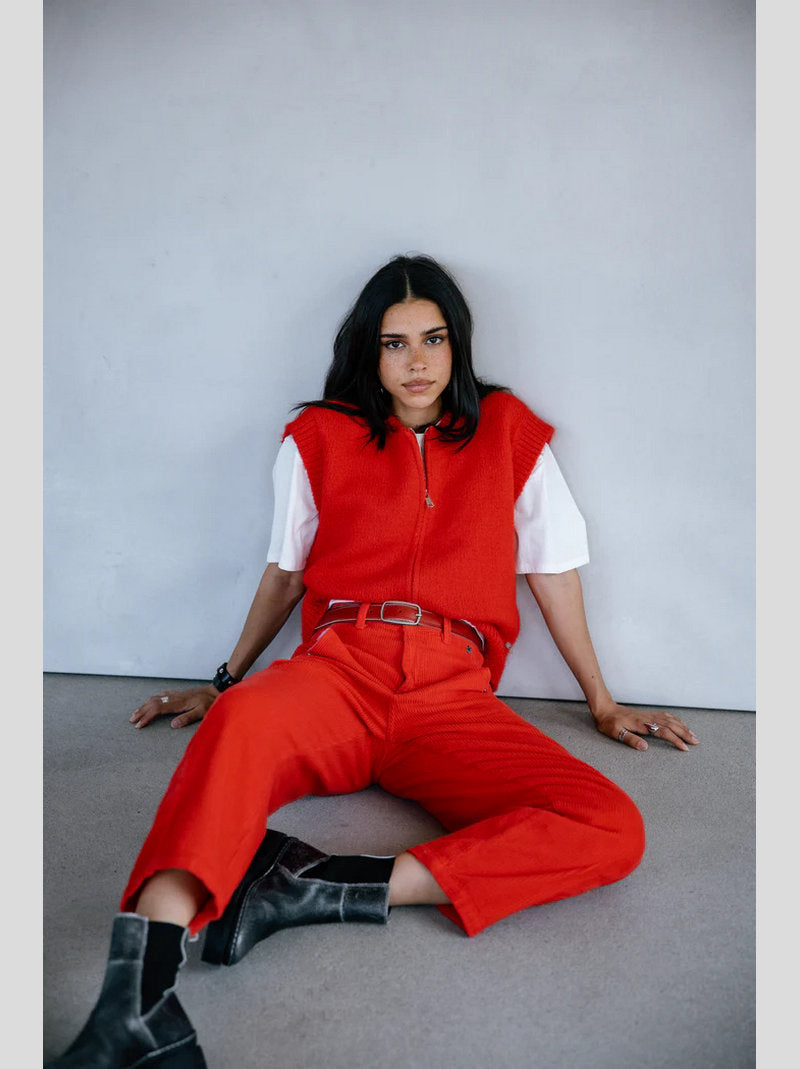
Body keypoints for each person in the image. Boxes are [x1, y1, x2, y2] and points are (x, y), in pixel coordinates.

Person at [46, 254, 698, 1068]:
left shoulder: (507, 431)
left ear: (458, 344)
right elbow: (285, 572)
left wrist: (601, 699)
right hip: (339, 674)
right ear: (370, 350)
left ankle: (311, 885)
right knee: (238, 725)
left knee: (612, 827)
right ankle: (135, 1006)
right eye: (394, 344)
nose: (416, 362)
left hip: (452, 698)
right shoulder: (319, 436)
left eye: (433, 339)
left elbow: (553, 570)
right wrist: (224, 681)